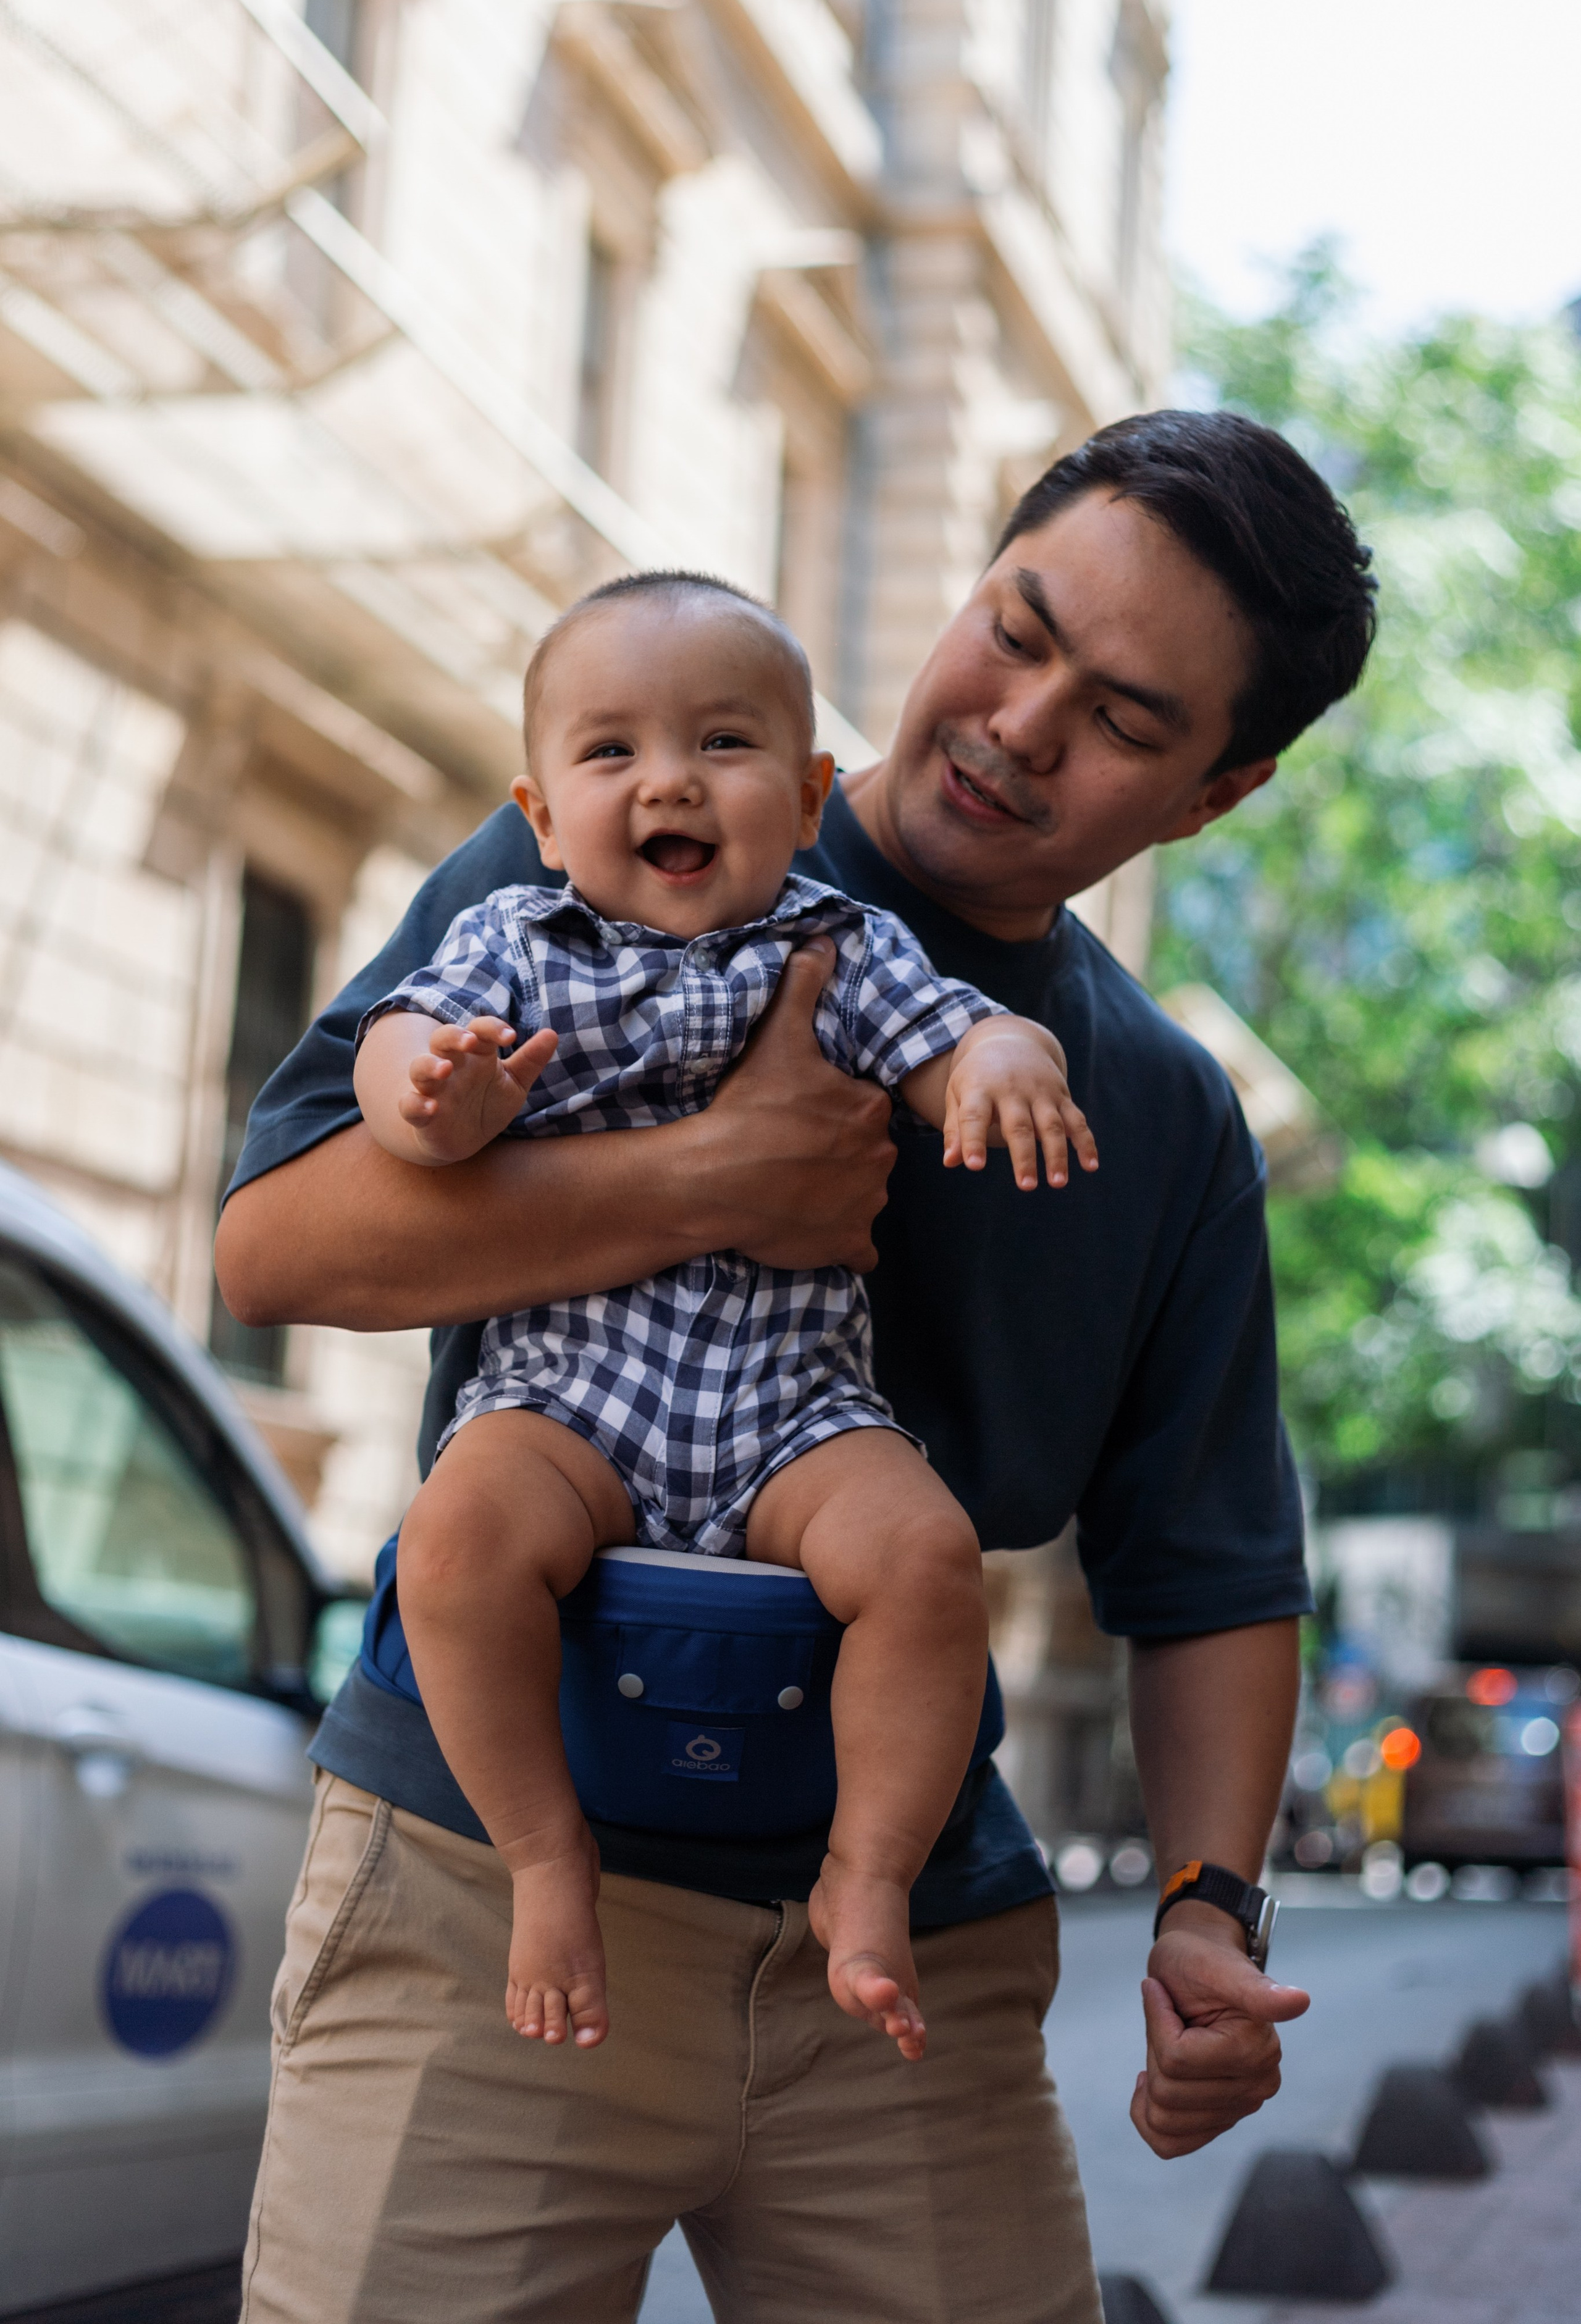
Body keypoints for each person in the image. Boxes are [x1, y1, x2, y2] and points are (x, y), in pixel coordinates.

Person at [220, 409, 1377, 2324]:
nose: (1018, 723)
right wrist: (701, 1180)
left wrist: (1208, 1912)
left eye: (1123, 719)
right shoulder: (598, 836)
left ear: (1218, 794)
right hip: (491, 1887)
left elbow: (1211, 1567)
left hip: (908, 1959)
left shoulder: (1163, 1118)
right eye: (1016, 631)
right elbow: (275, 1243)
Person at [350, 569, 1094, 2058]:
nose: (669, 780)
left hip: (790, 1405)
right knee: (452, 1543)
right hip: (570, 1393)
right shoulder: (513, 935)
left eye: (725, 745)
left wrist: (1007, 1054)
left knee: (925, 1558)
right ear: (543, 811)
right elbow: (398, 1048)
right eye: (610, 750)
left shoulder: (839, 945)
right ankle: (547, 1860)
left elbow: (948, 1042)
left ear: (812, 793)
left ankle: (865, 1878)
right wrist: (435, 1099)